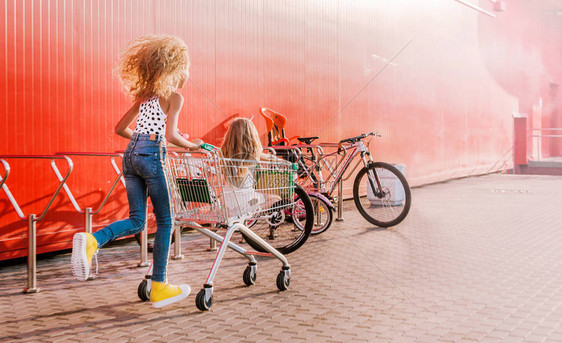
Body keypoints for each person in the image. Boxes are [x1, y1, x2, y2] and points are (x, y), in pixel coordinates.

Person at [71, 35, 201, 309]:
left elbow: (119, 129)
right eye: (184, 73)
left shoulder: (145, 96)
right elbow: (172, 134)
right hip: (151, 154)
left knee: (137, 220)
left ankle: (93, 240)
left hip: (131, 155)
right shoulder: (175, 97)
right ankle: (160, 286)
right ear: (175, 71)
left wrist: (142, 143)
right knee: (166, 220)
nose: (185, 78)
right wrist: (192, 146)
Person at [220, 118, 284, 216]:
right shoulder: (252, 155)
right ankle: (252, 211)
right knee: (276, 198)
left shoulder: (225, 154)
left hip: (229, 204)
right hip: (247, 203)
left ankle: (244, 212)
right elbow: (268, 157)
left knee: (257, 193)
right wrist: (284, 162)